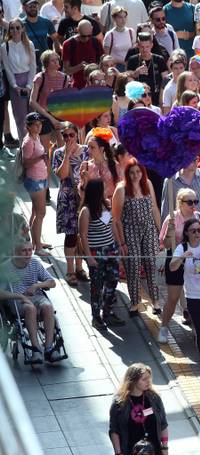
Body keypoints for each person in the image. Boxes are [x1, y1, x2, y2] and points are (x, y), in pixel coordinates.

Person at [170, 217, 200, 377]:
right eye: (194, 231)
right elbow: (172, 267)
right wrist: (182, 257)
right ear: (187, 233)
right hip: (194, 297)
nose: (197, 233)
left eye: (199, 230)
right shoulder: (181, 247)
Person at [157, 188, 200, 343]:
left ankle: (196, 326)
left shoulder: (198, 217)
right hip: (176, 259)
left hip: (195, 261)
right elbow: (165, 244)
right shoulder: (171, 218)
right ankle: (164, 327)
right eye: (190, 202)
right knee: (173, 298)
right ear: (180, 202)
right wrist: (170, 233)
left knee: (195, 297)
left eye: (196, 201)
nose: (194, 205)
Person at [112, 159, 162, 317]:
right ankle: (135, 302)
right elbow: (116, 219)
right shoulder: (121, 189)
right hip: (130, 230)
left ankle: (155, 301)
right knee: (132, 266)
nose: (135, 176)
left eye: (138, 172)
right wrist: (121, 242)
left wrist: (160, 232)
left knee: (151, 264)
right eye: (132, 172)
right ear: (127, 173)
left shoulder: (147, 184)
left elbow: (154, 208)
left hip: (148, 229)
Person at [0, 240, 59, 364]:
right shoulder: (6, 268)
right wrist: (20, 297)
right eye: (24, 250)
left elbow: (52, 282)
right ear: (15, 252)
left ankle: (49, 348)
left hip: (36, 296)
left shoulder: (34, 264)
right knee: (30, 308)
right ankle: (36, 349)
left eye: (30, 250)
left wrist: (37, 285)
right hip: (17, 300)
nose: (28, 254)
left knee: (48, 307)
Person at [78, 179, 125, 330]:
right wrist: (89, 257)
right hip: (96, 251)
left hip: (110, 249)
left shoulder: (105, 205)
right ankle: (96, 316)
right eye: (103, 188)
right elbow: (83, 235)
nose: (106, 190)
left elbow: (111, 226)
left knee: (113, 280)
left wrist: (118, 244)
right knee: (97, 285)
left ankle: (108, 312)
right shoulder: (86, 211)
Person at [109, 364, 170, 455]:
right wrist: (118, 453)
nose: (148, 382)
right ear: (133, 380)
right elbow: (114, 430)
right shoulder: (120, 402)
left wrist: (164, 446)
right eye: (144, 379)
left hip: (151, 453)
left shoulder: (154, 398)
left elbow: (163, 424)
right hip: (130, 454)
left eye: (149, 378)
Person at [52, 122, 88, 285]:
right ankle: (70, 269)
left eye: (71, 135)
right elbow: (62, 175)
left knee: (83, 234)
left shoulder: (87, 150)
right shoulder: (58, 153)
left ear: (77, 134)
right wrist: (67, 155)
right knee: (71, 235)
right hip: (67, 199)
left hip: (84, 198)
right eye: (64, 135)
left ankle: (80, 267)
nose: (68, 138)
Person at [20, 113, 51, 257]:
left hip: (41, 178)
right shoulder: (28, 142)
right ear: (28, 126)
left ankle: (36, 241)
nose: (39, 127)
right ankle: (38, 247)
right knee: (41, 213)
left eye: (40, 124)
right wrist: (41, 157)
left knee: (35, 212)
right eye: (36, 125)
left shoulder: (36, 137)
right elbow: (25, 163)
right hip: (35, 180)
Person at [3, 18, 37, 142]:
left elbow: (33, 66)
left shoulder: (30, 44)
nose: (15, 30)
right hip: (15, 83)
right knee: (20, 117)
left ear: (22, 29)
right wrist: (15, 86)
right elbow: (8, 69)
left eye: (18, 27)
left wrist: (29, 86)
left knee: (33, 115)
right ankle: (24, 146)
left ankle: (36, 144)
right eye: (12, 28)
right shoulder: (5, 47)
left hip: (29, 80)